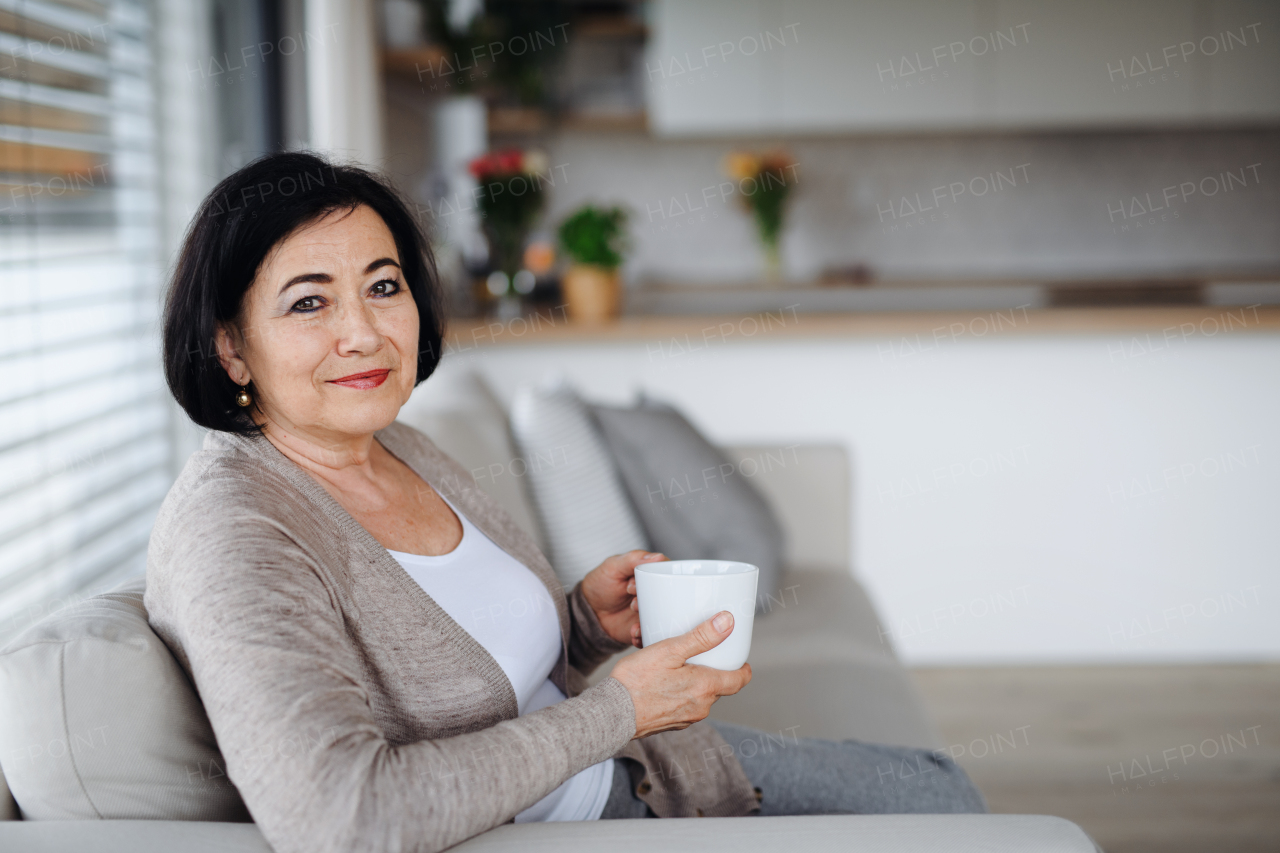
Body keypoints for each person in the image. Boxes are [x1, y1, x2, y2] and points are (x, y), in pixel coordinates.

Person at [147, 151, 984, 853]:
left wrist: (583, 621)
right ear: (231, 347)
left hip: (649, 770)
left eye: (383, 285)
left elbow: (490, 677)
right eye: (308, 302)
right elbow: (343, 813)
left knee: (939, 789)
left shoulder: (400, 446)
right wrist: (620, 711)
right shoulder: (236, 529)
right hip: (599, 811)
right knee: (949, 815)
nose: (364, 333)